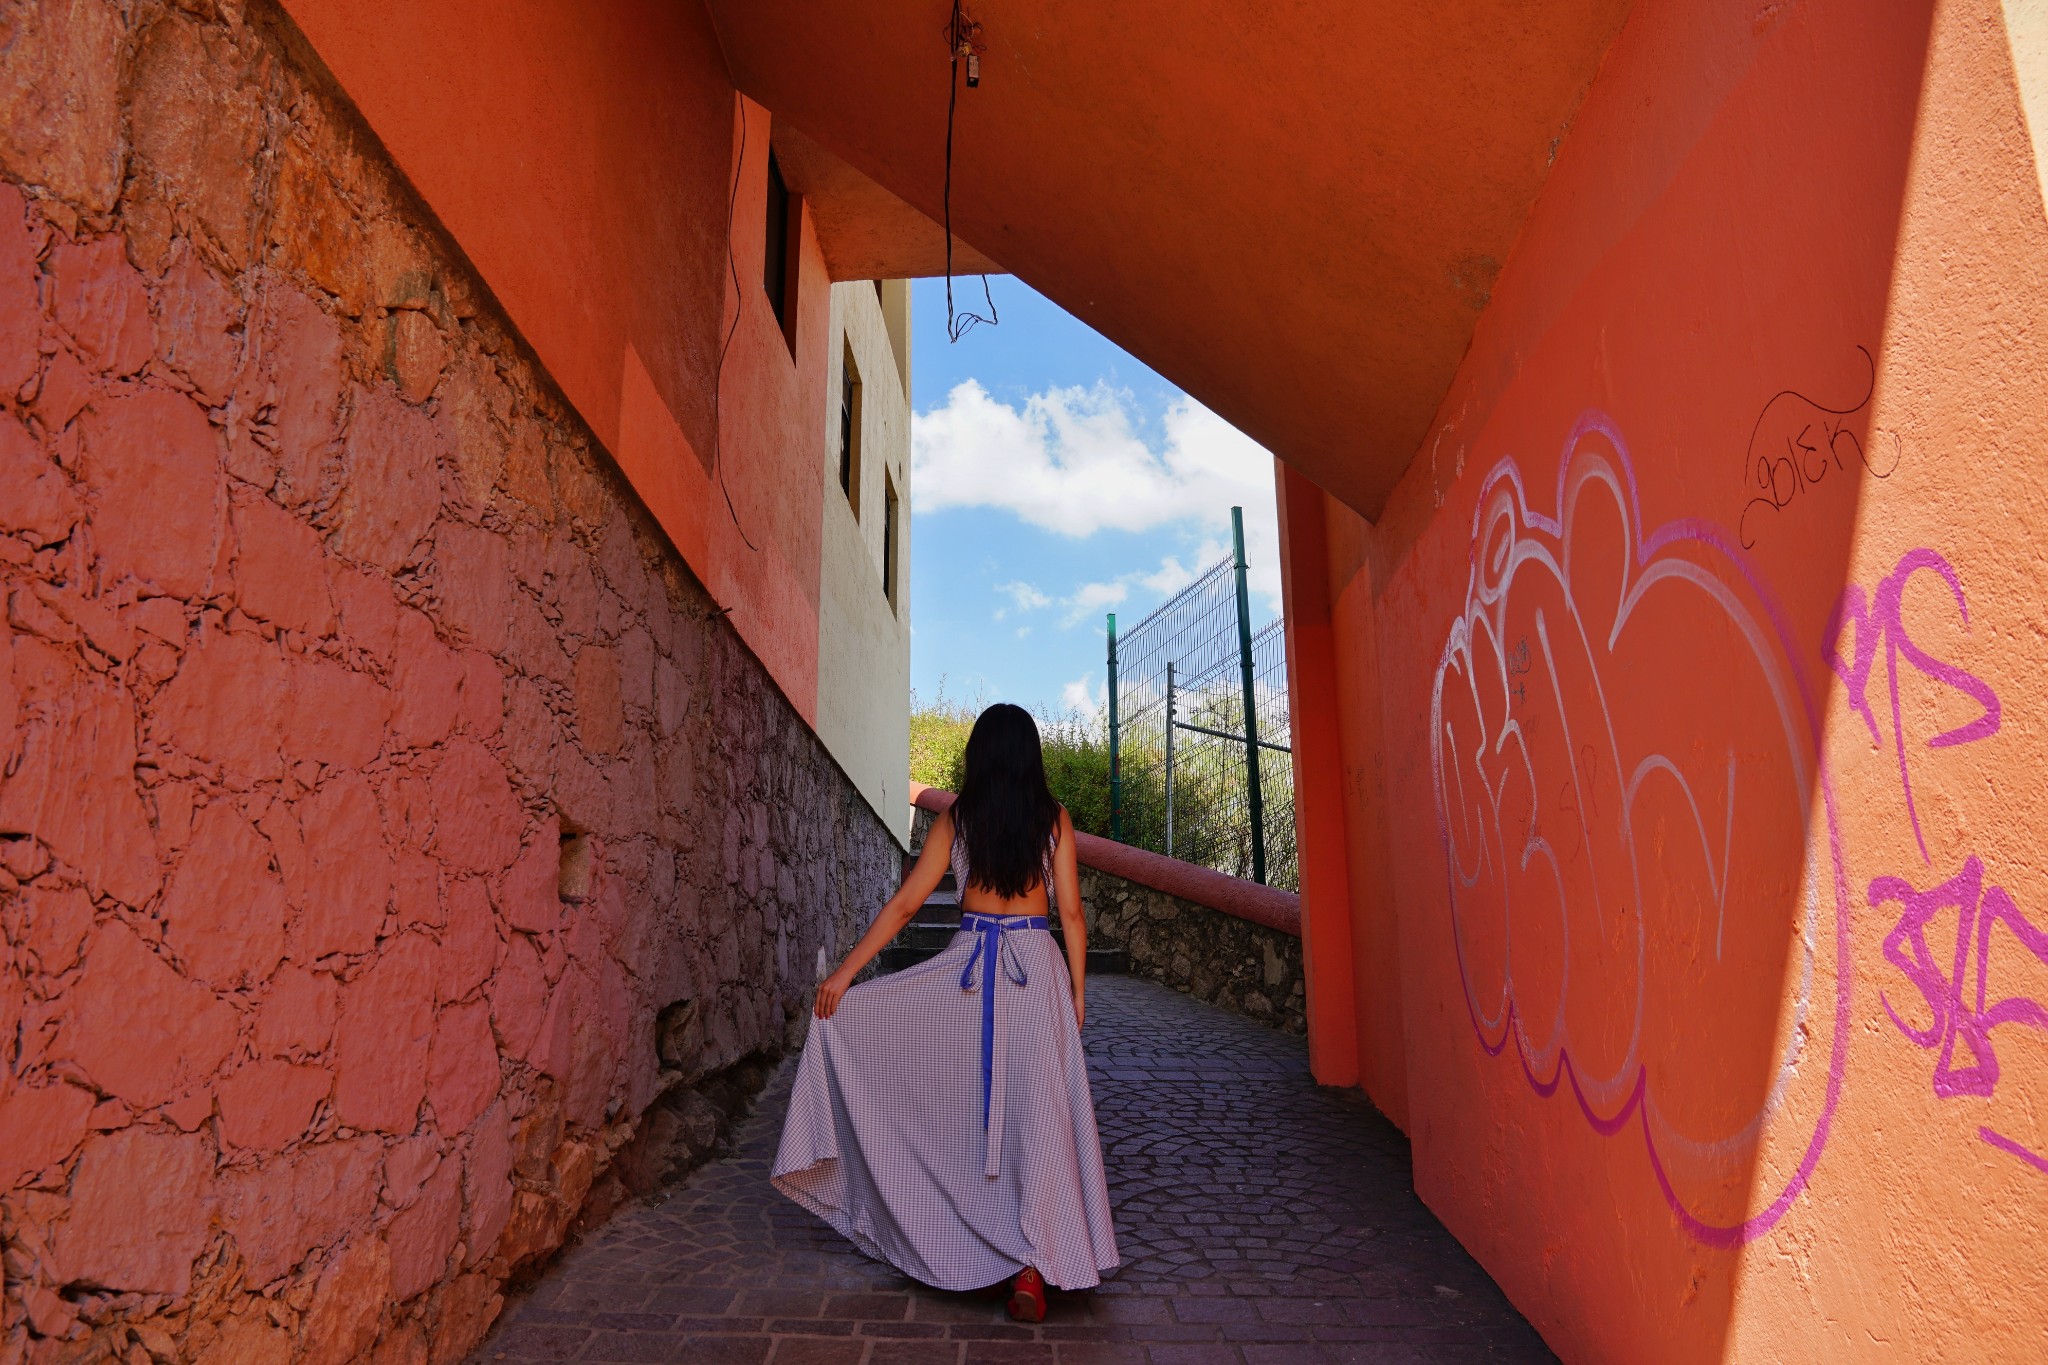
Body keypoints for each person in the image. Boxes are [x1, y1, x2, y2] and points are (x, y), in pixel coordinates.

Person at [772, 703, 1120, 1322]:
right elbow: (1071, 915)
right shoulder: (1053, 819)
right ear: (1030, 756)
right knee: (1038, 1120)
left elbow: (907, 903)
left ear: (979, 756)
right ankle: (1032, 1268)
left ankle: (976, 1252)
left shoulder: (958, 818)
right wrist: (1076, 992)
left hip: (969, 974)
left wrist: (847, 975)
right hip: (1035, 975)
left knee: (958, 1113)